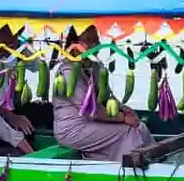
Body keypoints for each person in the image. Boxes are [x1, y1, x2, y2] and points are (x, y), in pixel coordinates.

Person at [51, 26, 154, 162]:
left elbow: (107, 97)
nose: (94, 45)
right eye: (88, 41)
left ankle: (154, 165)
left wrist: (124, 109)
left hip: (92, 124)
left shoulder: (95, 66)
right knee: (128, 131)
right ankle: (129, 173)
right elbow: (88, 110)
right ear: (74, 44)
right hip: (73, 130)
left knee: (141, 127)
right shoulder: (68, 71)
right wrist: (122, 118)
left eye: (96, 41)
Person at [0, 25, 41, 135]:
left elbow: (37, 67)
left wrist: (24, 49)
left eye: (16, 34)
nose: (12, 37)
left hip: (10, 109)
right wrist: (9, 116)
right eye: (6, 33)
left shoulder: (16, 52)